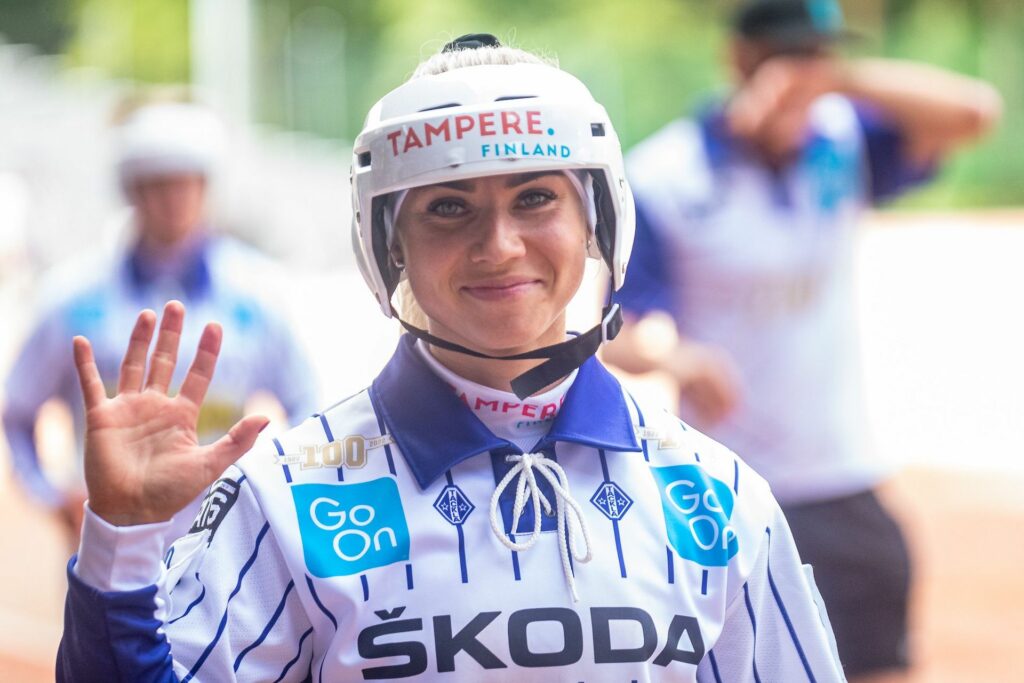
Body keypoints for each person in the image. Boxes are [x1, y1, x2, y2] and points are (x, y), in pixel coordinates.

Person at [57, 35, 846, 682]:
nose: (498, 245)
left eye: (534, 197)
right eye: (447, 207)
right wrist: (121, 537)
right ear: (389, 246)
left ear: (596, 221)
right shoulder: (282, 496)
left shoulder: (721, 499)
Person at [602, 2, 1002, 681]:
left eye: (818, 57)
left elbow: (974, 113)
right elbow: (611, 329)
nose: (801, 76)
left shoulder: (842, 141)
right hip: (725, 493)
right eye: (786, 56)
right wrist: (676, 356)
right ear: (739, 59)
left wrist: (841, 80)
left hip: (843, 479)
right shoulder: (667, 175)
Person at [2, 96, 317, 549]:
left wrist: (274, 495)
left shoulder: (258, 292)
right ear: (131, 190)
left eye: (186, 182)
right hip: (107, 545)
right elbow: (17, 411)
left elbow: (305, 403)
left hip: (222, 553)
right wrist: (53, 498)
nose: (174, 200)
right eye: (157, 184)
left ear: (205, 186)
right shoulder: (71, 298)